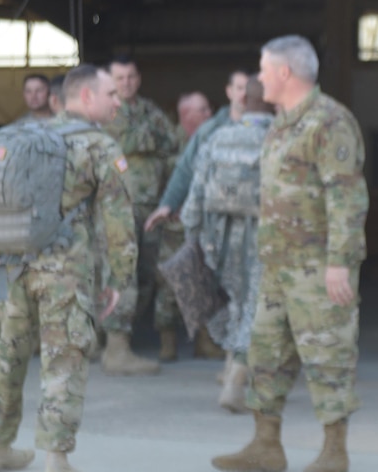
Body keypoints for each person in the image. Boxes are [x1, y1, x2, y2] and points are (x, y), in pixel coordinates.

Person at [0, 64, 137, 472]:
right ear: (86, 98)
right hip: (64, 270)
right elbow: (119, 220)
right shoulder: (100, 146)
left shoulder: (28, 135)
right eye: (110, 95)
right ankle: (57, 460)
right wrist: (121, 277)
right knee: (64, 357)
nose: (118, 101)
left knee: (7, 354)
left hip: (11, 264)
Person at [212, 36, 368, 472]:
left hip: (318, 266)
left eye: (263, 69)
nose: (258, 79)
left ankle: (334, 449)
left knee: (328, 354)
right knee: (266, 353)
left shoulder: (329, 121)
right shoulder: (282, 123)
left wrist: (340, 260)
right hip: (278, 267)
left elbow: (346, 196)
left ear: (284, 73)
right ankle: (266, 445)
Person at [182, 77, 273, 412]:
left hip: (220, 238)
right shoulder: (278, 138)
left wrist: (193, 237)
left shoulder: (218, 137)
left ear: (244, 100)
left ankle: (232, 369)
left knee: (236, 303)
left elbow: (196, 194)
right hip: (265, 235)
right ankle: (237, 379)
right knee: (258, 306)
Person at [146, 70, 249, 361]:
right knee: (204, 280)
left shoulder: (267, 124)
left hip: (247, 223)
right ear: (229, 91)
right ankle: (216, 347)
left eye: (248, 88)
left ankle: (233, 353)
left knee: (238, 288)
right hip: (209, 220)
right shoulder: (210, 130)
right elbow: (185, 169)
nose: (243, 93)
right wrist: (168, 204)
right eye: (238, 87)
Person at [100, 56, 179, 370]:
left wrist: (143, 141)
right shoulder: (106, 109)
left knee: (147, 275)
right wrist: (147, 140)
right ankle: (114, 346)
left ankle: (126, 339)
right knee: (121, 273)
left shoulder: (149, 110)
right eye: (120, 78)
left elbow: (170, 141)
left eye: (132, 76)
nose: (127, 83)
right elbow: (121, 141)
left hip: (150, 205)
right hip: (118, 205)